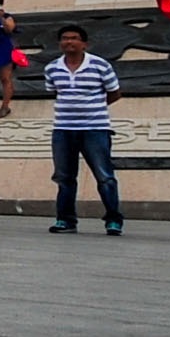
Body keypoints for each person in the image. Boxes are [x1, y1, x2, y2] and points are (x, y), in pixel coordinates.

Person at [42, 23, 124, 235]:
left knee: (104, 176)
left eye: (74, 38)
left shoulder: (100, 65)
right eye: (65, 38)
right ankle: (66, 220)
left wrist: (92, 108)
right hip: (63, 129)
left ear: (84, 43)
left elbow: (114, 93)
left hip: (95, 129)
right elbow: (55, 92)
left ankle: (113, 219)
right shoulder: (52, 68)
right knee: (64, 177)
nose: (69, 42)